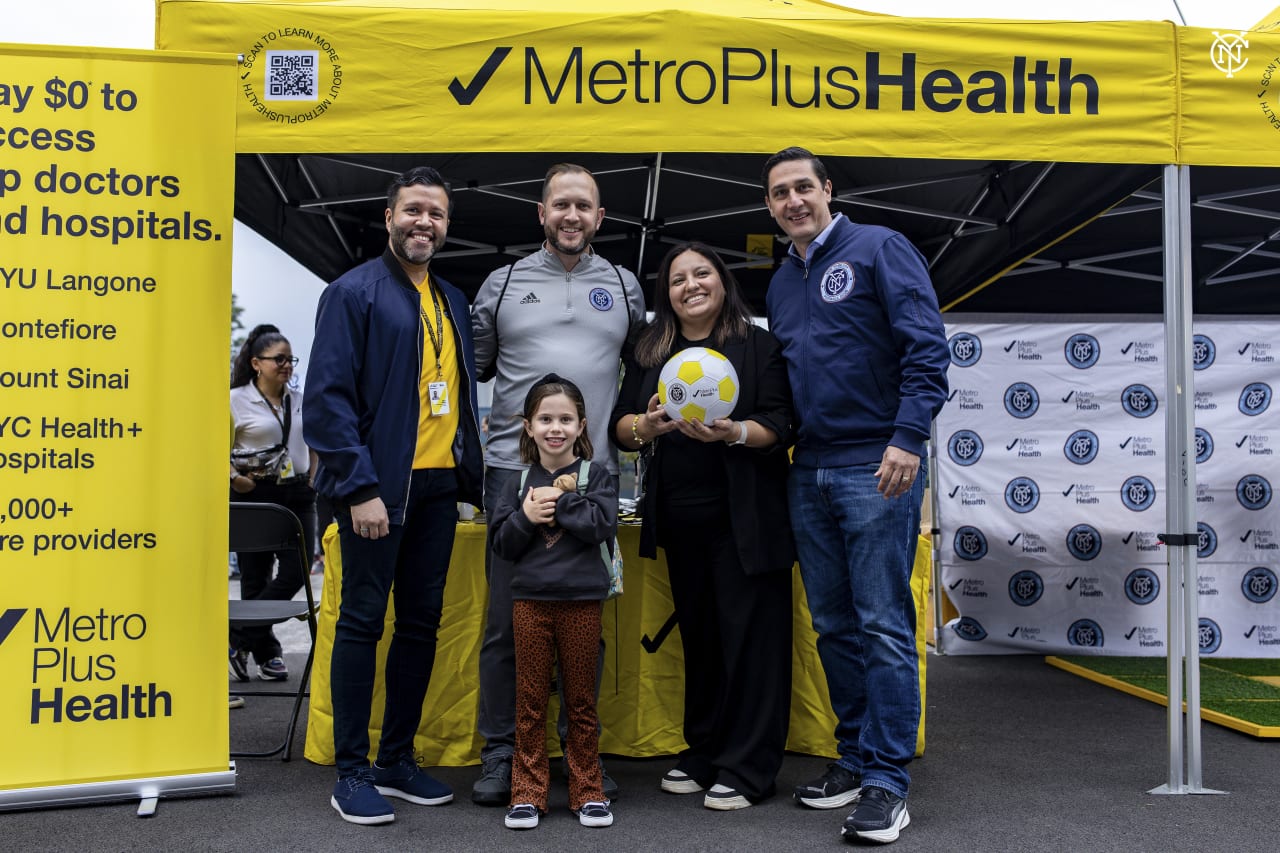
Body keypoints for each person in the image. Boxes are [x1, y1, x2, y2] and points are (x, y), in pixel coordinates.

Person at [761, 147, 949, 845]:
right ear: (771, 205)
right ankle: (854, 756)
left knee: (882, 622)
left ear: (827, 189)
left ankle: (888, 782)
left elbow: (928, 350)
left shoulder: (880, 247)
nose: (792, 201)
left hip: (878, 462)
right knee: (833, 625)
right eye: (780, 193)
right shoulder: (782, 279)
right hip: (806, 467)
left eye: (802, 187)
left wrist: (907, 437)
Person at [303, 166, 484, 826]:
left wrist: (467, 476)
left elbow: (455, 396)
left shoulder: (451, 299)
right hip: (376, 490)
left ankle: (395, 759)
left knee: (420, 624)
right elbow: (325, 402)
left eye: (435, 214)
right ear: (388, 217)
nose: (423, 223)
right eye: (413, 210)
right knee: (360, 620)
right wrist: (358, 489)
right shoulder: (353, 293)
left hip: (436, 491)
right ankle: (350, 772)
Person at [470, 163, 645, 805]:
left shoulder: (625, 287)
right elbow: (479, 365)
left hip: (592, 474)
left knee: (581, 617)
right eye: (560, 205)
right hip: (510, 472)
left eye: (584, 207)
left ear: (600, 218)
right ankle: (501, 756)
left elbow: (636, 373)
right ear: (540, 213)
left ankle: (580, 755)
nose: (572, 216)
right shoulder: (502, 281)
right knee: (504, 623)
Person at [610, 243, 795, 811]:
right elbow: (621, 429)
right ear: (665, 294)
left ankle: (749, 768)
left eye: (702, 274)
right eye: (676, 279)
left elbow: (782, 424)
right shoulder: (651, 350)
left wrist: (735, 433)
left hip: (746, 521)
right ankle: (705, 750)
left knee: (752, 644)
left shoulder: (757, 344)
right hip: (682, 521)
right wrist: (649, 424)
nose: (690, 285)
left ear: (722, 281)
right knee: (702, 640)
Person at [490, 374, 618, 831]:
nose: (555, 427)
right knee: (529, 701)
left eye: (565, 419)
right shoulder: (517, 482)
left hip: (582, 602)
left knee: (580, 701)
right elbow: (502, 545)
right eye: (546, 418)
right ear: (528, 426)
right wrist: (526, 515)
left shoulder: (595, 475)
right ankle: (527, 793)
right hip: (530, 604)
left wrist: (561, 500)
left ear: (582, 426)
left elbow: (602, 523)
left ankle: (587, 791)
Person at [229, 323, 316, 683]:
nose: (286, 365)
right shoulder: (235, 399)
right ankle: (267, 654)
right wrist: (235, 480)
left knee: (299, 569)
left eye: (290, 359)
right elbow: (209, 447)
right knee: (254, 575)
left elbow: (313, 438)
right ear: (255, 363)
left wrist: (313, 476)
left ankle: (239, 635)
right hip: (254, 492)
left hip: (297, 492)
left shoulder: (299, 398)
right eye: (278, 359)